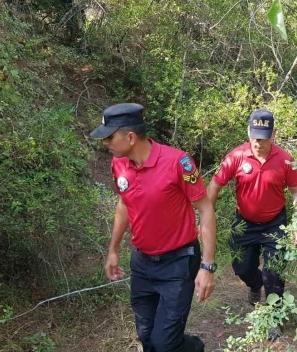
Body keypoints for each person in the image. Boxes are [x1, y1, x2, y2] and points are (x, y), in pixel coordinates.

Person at [90, 103, 217, 352]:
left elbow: (205, 210)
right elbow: (124, 205)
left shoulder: (178, 162)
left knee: (165, 344)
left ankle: (194, 348)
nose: (105, 143)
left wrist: (208, 266)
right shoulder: (119, 164)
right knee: (146, 336)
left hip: (178, 264)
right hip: (143, 264)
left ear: (130, 137)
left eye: (109, 137)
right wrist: (113, 249)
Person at [206, 108, 297, 340]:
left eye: (264, 137)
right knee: (242, 268)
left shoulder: (285, 159)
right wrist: (207, 215)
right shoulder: (236, 156)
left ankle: (274, 318)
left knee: (274, 273)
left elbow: (296, 189)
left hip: (275, 223)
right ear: (248, 132)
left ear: (273, 134)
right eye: (254, 136)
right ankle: (254, 283)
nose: (258, 142)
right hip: (244, 223)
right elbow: (215, 185)